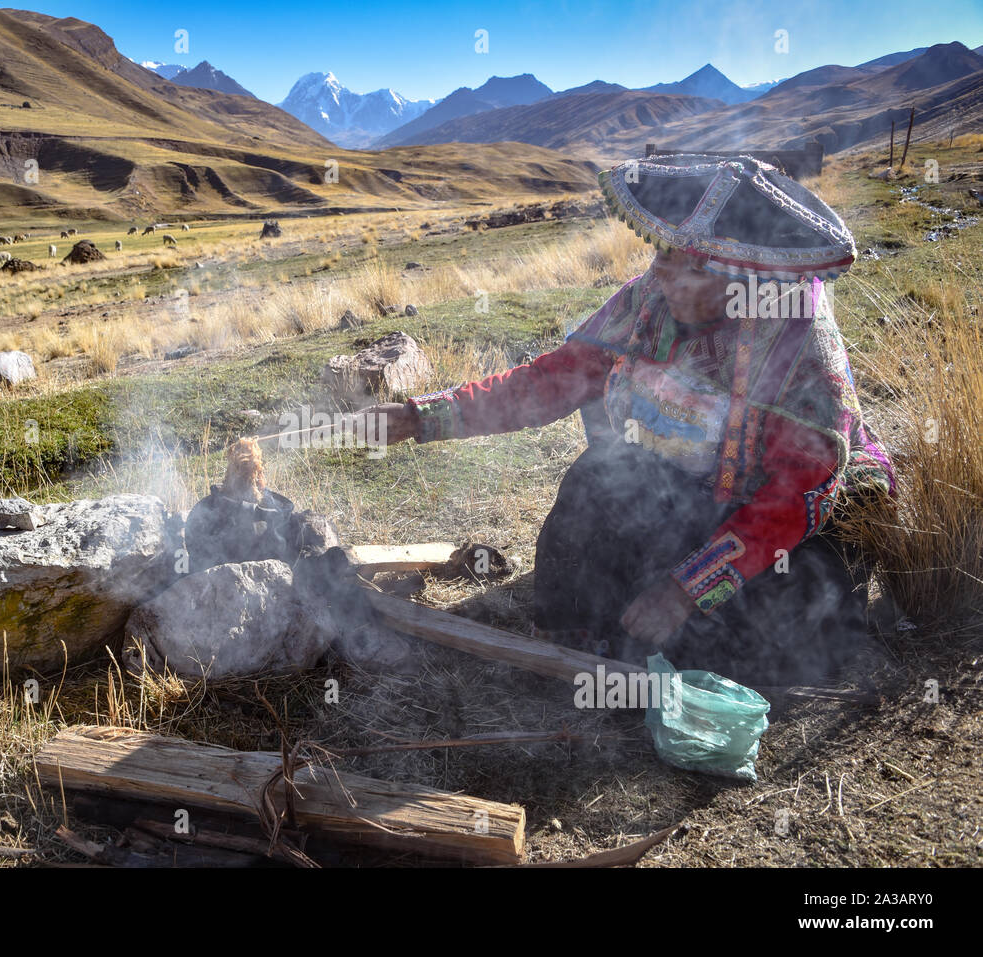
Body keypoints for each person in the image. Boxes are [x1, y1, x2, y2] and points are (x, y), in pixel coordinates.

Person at [363, 154, 895, 686]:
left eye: (691, 265)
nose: (661, 272)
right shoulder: (649, 301)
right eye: (663, 253)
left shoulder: (796, 340)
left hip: (790, 524)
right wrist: (421, 418)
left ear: (744, 278)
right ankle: (590, 646)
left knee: (779, 626)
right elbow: (550, 381)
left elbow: (793, 495)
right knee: (597, 484)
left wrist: (686, 589)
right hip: (689, 486)